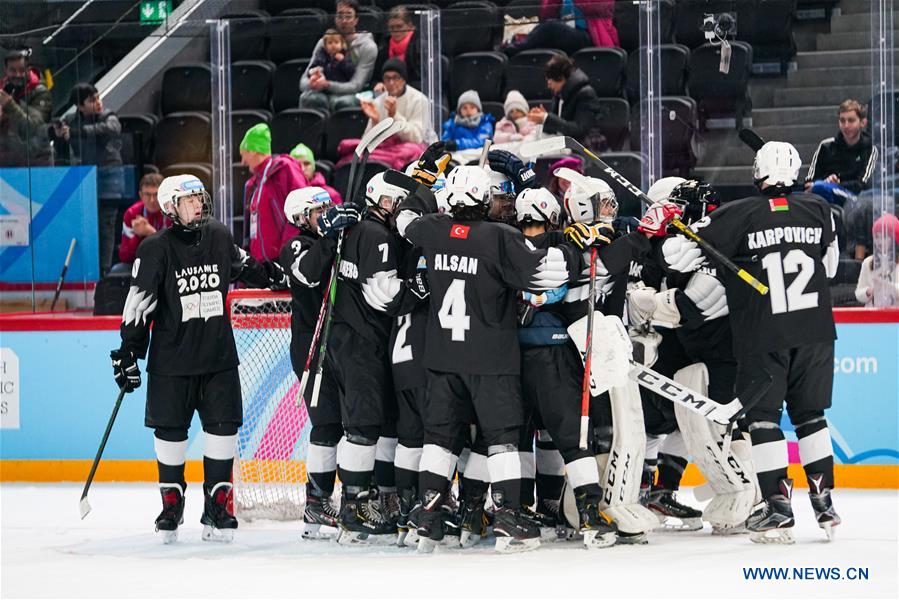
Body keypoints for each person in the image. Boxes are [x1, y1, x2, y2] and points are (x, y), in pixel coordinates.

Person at [392, 156, 611, 553]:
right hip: (490, 358)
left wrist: (423, 182)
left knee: (439, 439)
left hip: (442, 360)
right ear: (480, 197)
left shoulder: (434, 230)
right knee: (503, 439)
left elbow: (404, 219)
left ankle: (428, 516)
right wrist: (577, 246)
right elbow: (547, 272)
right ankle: (510, 517)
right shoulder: (498, 237)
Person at [662, 141, 841, 544]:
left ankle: (778, 509)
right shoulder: (820, 211)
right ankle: (825, 503)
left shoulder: (736, 215)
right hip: (814, 333)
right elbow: (828, 269)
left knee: (763, 420)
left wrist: (671, 221)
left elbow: (676, 257)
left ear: (757, 173)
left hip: (764, 334)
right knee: (811, 417)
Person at [110, 174, 288, 544]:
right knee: (171, 432)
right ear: (171, 206)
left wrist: (280, 276)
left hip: (218, 358)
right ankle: (171, 505)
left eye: (199, 198)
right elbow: (140, 305)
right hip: (172, 363)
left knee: (223, 429)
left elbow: (246, 265)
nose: (198, 205)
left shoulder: (220, 236)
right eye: (190, 200)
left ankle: (218, 506)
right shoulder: (155, 248)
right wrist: (129, 350)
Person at [313, 171, 428, 544]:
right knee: (362, 426)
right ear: (381, 201)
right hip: (361, 342)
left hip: (347, 339)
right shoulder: (377, 235)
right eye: (396, 202)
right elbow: (384, 295)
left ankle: (365, 499)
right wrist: (421, 287)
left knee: (369, 423)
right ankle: (354, 506)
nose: (400, 209)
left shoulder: (357, 229)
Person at [276, 186, 340, 538]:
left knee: (350, 424)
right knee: (327, 426)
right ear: (302, 217)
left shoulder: (335, 239)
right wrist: (331, 237)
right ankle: (316, 503)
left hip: (340, 344)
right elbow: (310, 274)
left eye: (330, 208)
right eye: (320, 211)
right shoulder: (297, 245)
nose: (328, 215)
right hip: (311, 347)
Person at [52, 83, 124, 276]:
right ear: (79, 105)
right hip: (84, 180)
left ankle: (105, 272)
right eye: (92, 100)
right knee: (85, 226)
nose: (98, 102)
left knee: (106, 227)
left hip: (109, 179)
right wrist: (59, 136)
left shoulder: (109, 116)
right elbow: (60, 148)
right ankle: (86, 271)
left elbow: (110, 129)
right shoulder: (70, 120)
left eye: (98, 97)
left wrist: (75, 133)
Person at [238, 123, 308, 262]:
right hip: (261, 266)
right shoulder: (253, 184)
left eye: (243, 154)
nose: (242, 162)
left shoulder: (284, 168)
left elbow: (302, 207)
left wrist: (286, 251)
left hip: (283, 261)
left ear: (253, 150)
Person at [299, 0, 377, 113]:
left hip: (354, 93)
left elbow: (356, 85)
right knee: (308, 98)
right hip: (323, 89)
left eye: (348, 16)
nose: (344, 21)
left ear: (356, 20)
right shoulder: (323, 43)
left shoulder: (368, 47)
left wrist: (327, 85)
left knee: (342, 102)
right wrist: (312, 83)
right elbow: (303, 81)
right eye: (340, 16)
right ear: (335, 18)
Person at [805, 99, 878, 206]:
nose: (846, 125)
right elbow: (809, 182)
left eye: (851, 120)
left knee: (820, 187)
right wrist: (827, 182)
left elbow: (863, 184)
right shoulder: (826, 146)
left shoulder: (871, 149)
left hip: (854, 199)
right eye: (842, 121)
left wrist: (836, 183)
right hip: (822, 194)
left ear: (863, 122)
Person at [528, 55, 602, 148]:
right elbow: (557, 127)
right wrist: (543, 120)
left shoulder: (586, 94)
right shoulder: (558, 95)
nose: (548, 86)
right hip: (561, 145)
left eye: (550, 81)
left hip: (582, 148)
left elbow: (580, 129)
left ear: (560, 77)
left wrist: (547, 118)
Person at [504, 0, 619, 56]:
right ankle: (518, 44)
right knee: (549, 26)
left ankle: (516, 46)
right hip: (564, 35)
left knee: (551, 27)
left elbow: (599, 7)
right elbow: (545, 15)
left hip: (589, 36)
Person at [0, 48, 52, 167]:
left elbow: (33, 128)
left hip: (36, 163)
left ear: (28, 70)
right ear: (5, 70)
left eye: (21, 70)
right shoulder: (5, 91)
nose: (17, 75)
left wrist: (10, 106)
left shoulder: (41, 93)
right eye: (13, 70)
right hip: (8, 163)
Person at [118, 173, 168, 266]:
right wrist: (138, 236)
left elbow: (175, 252)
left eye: (156, 194)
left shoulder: (172, 211)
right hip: (142, 263)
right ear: (141, 195)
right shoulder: (132, 213)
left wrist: (152, 233)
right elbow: (125, 257)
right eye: (147, 194)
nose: (152, 200)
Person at [854, 213, 899, 307]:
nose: (879, 241)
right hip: (872, 317)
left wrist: (888, 287)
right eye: (877, 237)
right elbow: (858, 292)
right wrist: (868, 292)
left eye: (884, 237)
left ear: (894, 239)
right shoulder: (868, 262)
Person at [375, 5, 421, 89]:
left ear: (409, 26)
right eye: (392, 27)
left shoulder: (420, 45)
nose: (396, 31)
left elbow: (422, 79)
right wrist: (379, 84)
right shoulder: (384, 47)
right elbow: (376, 78)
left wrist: (401, 87)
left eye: (399, 26)